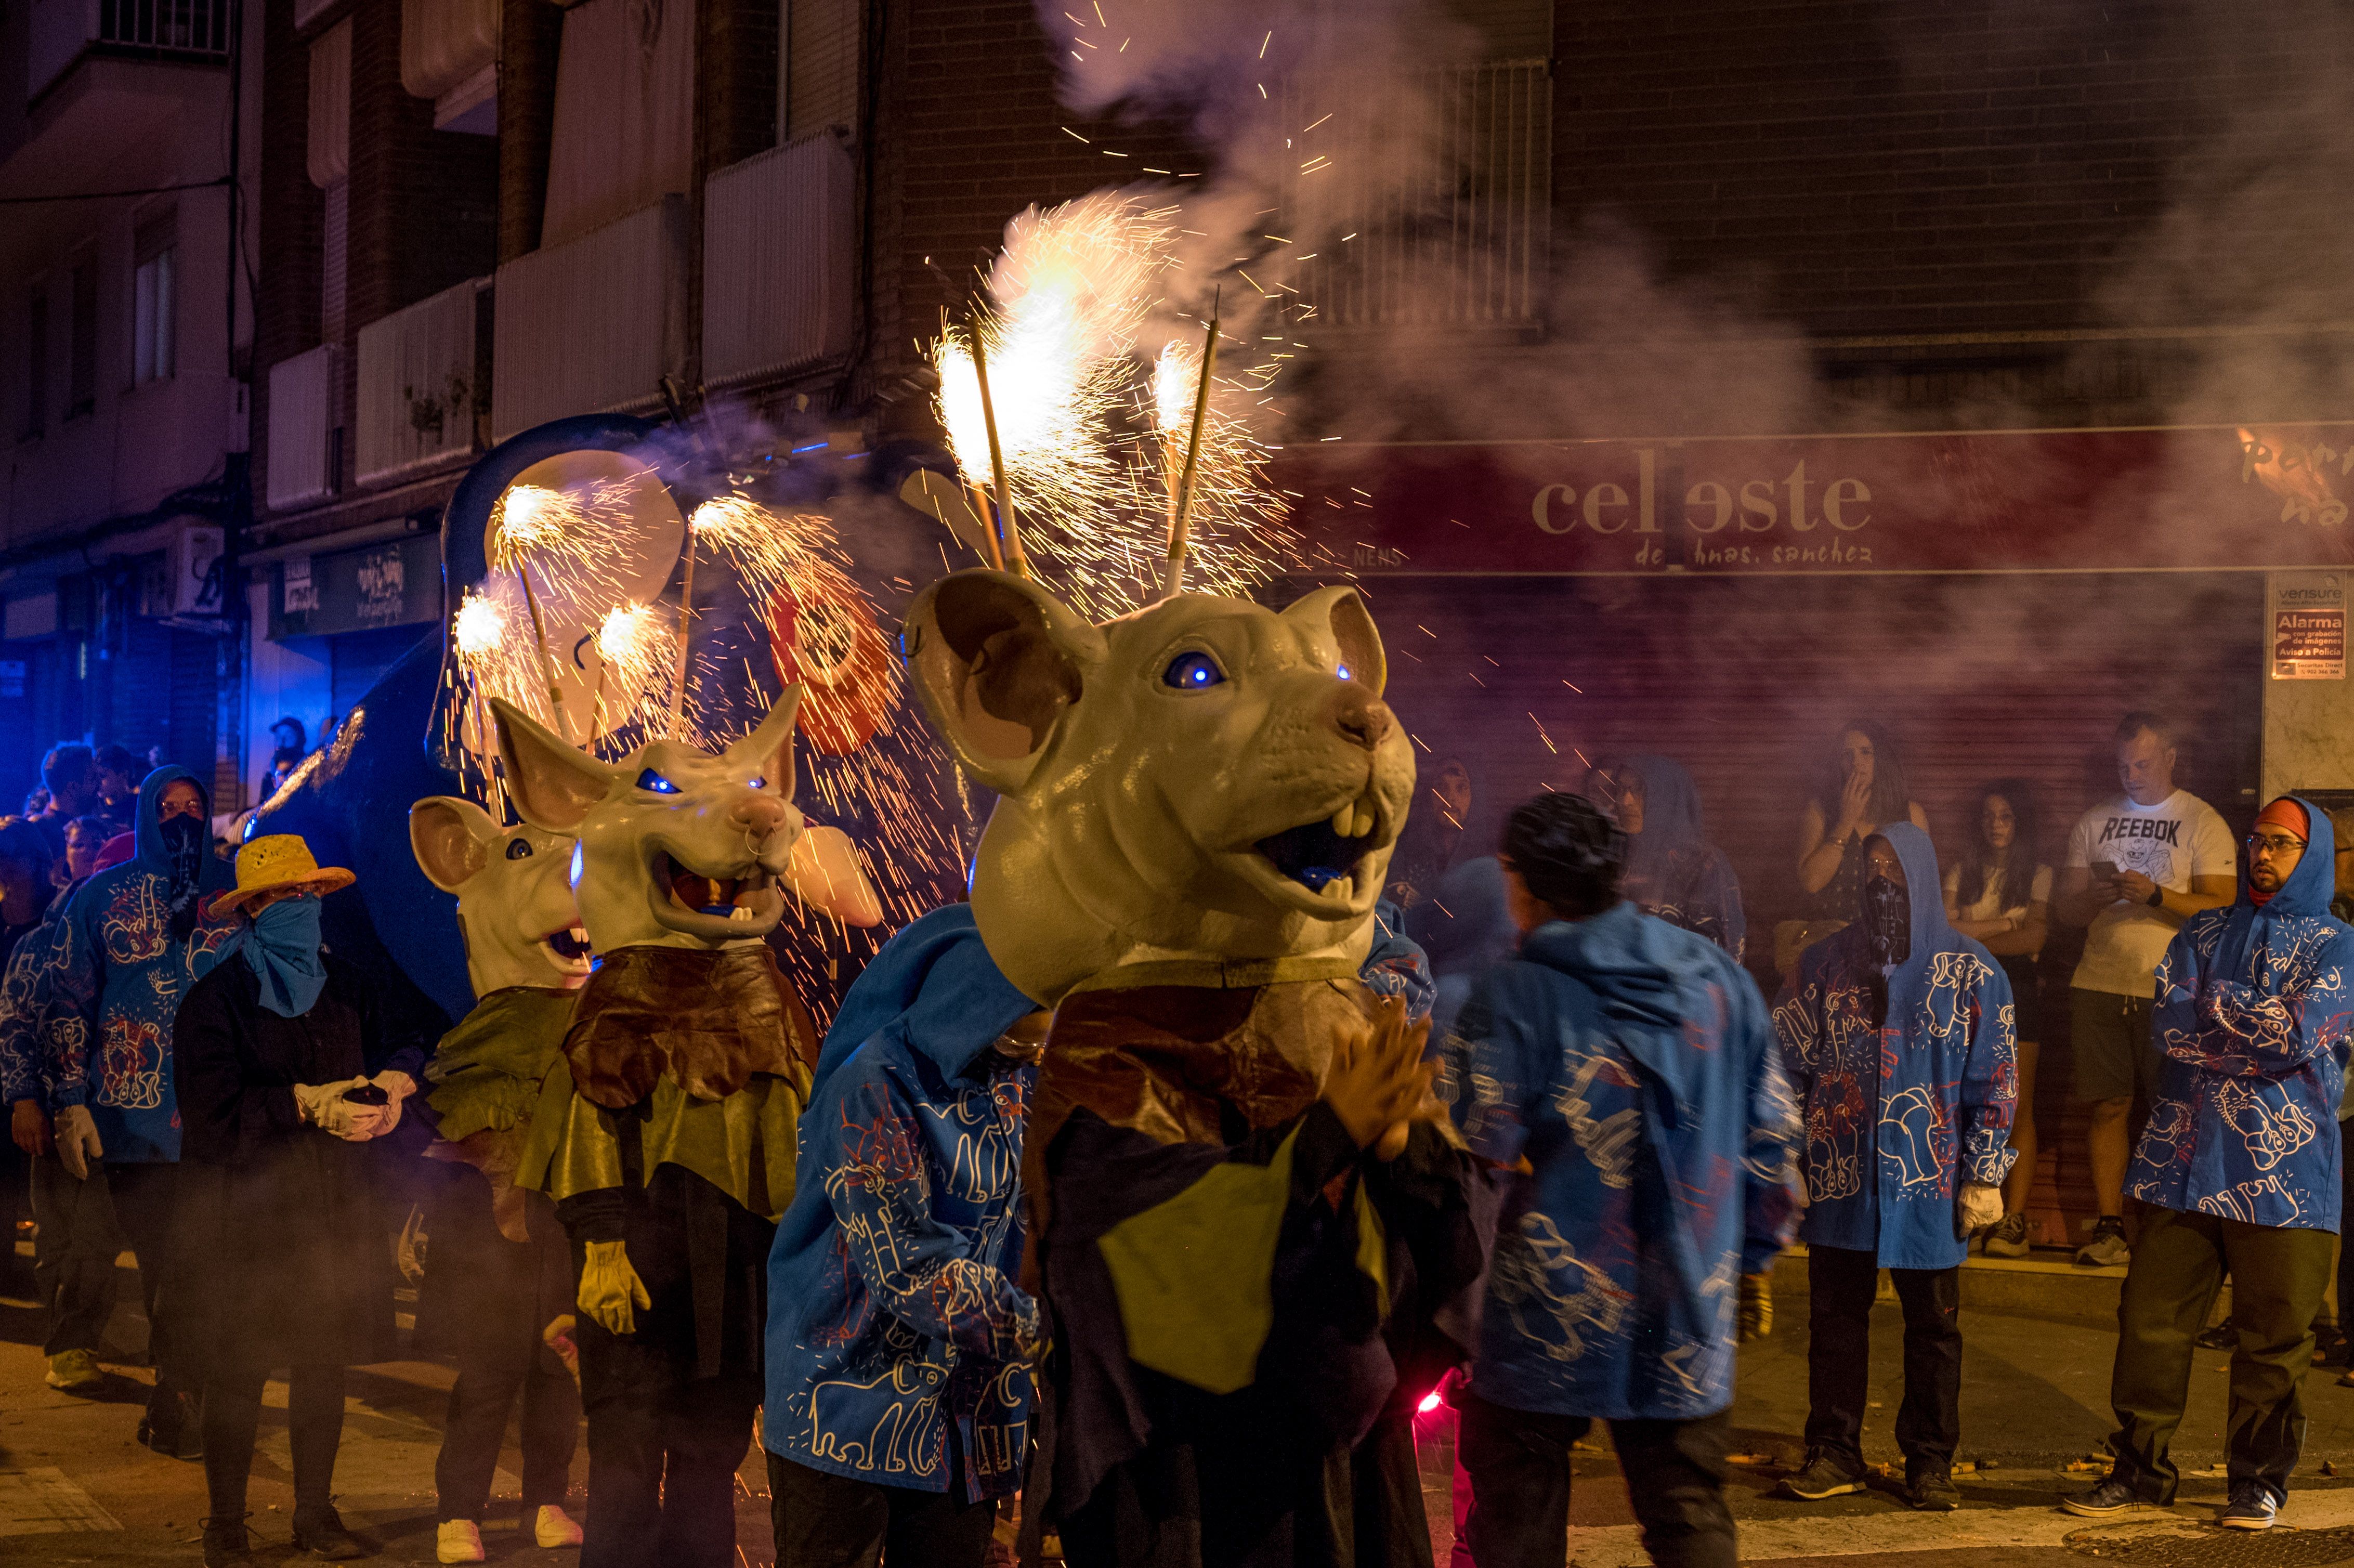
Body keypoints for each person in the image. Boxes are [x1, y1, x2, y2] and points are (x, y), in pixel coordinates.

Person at [1444, 793, 1799, 1568]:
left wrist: (1445, 1299)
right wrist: (1756, 1258)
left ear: (1521, 880)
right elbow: (1771, 1138)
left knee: (1517, 1517)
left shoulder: (1516, 994)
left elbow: (1473, 1161)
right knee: (1686, 1513)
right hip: (1688, 1302)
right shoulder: (1717, 979)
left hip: (1544, 1315)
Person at [2062, 798, 2352, 1532]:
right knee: (2151, 1324)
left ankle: (2257, 1483)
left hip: (2283, 1176)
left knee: (2275, 1337)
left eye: (2283, 845)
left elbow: (2294, 1037)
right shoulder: (2202, 926)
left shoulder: (2338, 945)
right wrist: (2249, 1018)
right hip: (2180, 1163)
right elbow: (2169, 1029)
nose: (2262, 854)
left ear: (2312, 856)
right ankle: (2139, 1470)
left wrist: (2213, 1006)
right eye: (2258, 841)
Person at [765, 906, 1047, 1568]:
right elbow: (908, 1265)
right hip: (845, 1407)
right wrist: (1049, 1330)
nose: (1057, 1023)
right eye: (1044, 1000)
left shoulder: (1023, 1078)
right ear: (981, 986)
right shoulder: (876, 1082)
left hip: (965, 1421)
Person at [171, 834, 425, 1566]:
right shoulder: (215, 1002)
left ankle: (315, 1513)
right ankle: (226, 1524)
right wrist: (303, 1105)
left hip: (335, 1212)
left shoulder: (349, 985)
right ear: (251, 910)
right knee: (239, 1372)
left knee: (324, 1366)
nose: (303, 908)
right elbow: (213, 1120)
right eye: (286, 896)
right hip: (247, 1218)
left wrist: (398, 1082)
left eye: (311, 895)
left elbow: (411, 1036)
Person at [1773, 825, 2016, 1510]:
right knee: (1835, 1320)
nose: (1880, 880)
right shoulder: (1822, 964)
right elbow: (1783, 1065)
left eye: (1894, 869)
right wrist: (1782, 1157)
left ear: (1923, 877)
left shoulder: (1973, 971)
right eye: (1869, 866)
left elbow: (1994, 1076)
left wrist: (1985, 1171)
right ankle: (1834, 1450)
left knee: (1933, 1327)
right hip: (1841, 1175)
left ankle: (1930, 1462)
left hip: (1930, 1182)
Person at [40, 765, 240, 1457]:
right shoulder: (102, 895)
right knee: (165, 1265)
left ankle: (182, 1395)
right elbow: (66, 1001)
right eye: (168, 806)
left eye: (194, 806)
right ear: (147, 813)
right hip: (133, 1121)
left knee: (209, 1265)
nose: (182, 817)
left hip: (222, 1113)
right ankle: (179, 1391)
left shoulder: (237, 895)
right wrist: (69, 1101)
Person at [2054, 712, 2235, 1268]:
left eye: (2142, 763)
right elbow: (2065, 908)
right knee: (2108, 1104)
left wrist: (2155, 896)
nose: (2130, 775)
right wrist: (2098, 897)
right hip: (2099, 982)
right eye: (2122, 765)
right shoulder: (2094, 820)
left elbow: (2223, 911)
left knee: (2173, 1108)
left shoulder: (2201, 820)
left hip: (2173, 989)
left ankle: (2173, 1230)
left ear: (2170, 757)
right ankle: (2110, 1226)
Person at [1942, 781, 2054, 1257]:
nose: (1996, 825)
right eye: (1989, 815)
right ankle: (1960, 1209)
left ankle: (2011, 1220)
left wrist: (1977, 936)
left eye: (2006, 816)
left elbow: (2035, 941)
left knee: (2016, 1105)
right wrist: (2008, 924)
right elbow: (1944, 931)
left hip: (2018, 989)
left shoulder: (2040, 873)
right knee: (1960, 1102)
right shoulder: (1962, 870)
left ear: (2020, 822)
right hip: (1962, 989)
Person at [1784, 722, 1929, 977]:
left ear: (1880, 759)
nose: (1856, 762)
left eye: (1866, 753)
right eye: (1847, 754)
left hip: (1890, 948)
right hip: (1829, 947)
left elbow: (1923, 892)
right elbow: (1811, 882)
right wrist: (1846, 822)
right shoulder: (1821, 811)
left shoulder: (1910, 815)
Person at [1587, 754, 1746, 962]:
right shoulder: (1614, 860)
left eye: (1638, 789)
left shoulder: (1703, 865)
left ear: (1666, 796)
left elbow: (1718, 960)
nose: (1625, 801)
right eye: (1620, 790)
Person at [1387, 756, 1476, 910]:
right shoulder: (1403, 851)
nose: (1450, 798)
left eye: (1461, 788)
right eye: (1441, 787)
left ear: (1474, 796)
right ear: (1429, 794)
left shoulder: (1485, 860)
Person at [32, 744, 101, 861]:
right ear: (73, 788)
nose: (100, 783)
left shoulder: (93, 824)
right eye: (93, 778)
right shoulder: (41, 838)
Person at [93, 745, 141, 833]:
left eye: (103, 776)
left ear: (123, 776)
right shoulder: (92, 808)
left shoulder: (140, 808)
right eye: (95, 776)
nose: (97, 781)